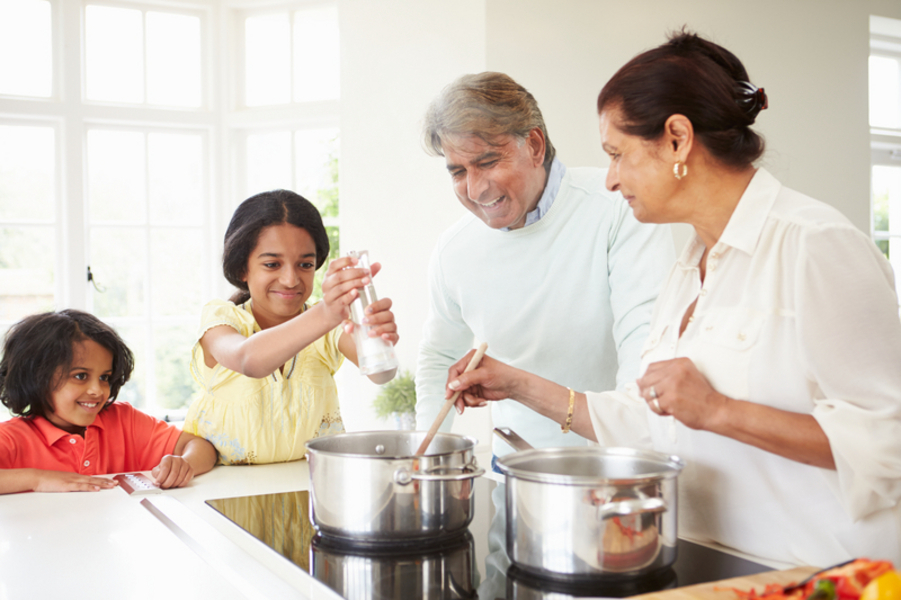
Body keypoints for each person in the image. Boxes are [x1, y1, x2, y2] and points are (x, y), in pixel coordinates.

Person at [445, 32, 901, 567]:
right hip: (706, 569)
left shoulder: (814, 243)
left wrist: (720, 410)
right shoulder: (690, 266)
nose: (611, 180)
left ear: (678, 139)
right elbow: (650, 423)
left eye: (618, 155)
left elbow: (887, 440)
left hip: (812, 576)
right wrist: (517, 385)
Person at [416, 72, 674, 457]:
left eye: (487, 161)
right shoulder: (455, 249)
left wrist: (626, 462)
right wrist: (426, 459)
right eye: (457, 171)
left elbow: (644, 370)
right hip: (517, 477)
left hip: (614, 470)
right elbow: (438, 357)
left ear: (534, 145)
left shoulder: (619, 211)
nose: (474, 189)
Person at [182, 190, 398, 465]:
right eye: (272, 264)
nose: (290, 279)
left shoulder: (331, 325)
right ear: (242, 269)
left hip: (308, 485)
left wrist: (377, 337)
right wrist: (327, 313)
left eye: (305, 264)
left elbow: (382, 374)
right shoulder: (221, 319)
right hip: (226, 486)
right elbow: (249, 360)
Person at [0, 309, 217, 494]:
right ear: (37, 377)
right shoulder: (12, 438)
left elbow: (201, 447)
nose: (97, 390)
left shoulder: (124, 422)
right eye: (80, 376)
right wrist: (37, 479)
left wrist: (184, 464)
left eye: (104, 377)